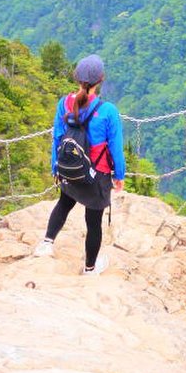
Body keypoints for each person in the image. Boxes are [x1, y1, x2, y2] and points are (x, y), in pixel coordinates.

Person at [34, 54, 125, 275]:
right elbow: (115, 147)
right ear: (100, 79)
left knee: (64, 202)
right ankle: (89, 269)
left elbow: (57, 138)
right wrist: (119, 175)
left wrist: (56, 167)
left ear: (76, 78)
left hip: (70, 171)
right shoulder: (107, 111)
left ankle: (46, 243)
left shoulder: (64, 104)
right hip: (97, 176)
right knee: (93, 223)